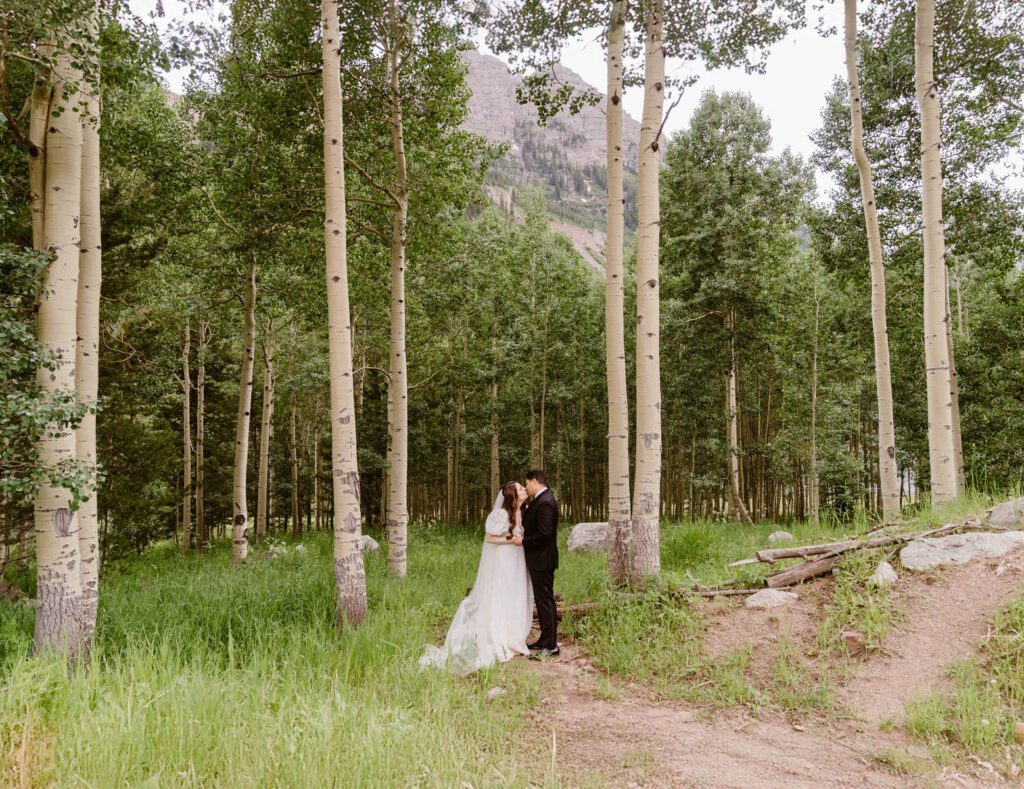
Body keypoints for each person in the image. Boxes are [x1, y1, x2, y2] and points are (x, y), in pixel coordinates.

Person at [419, 481, 533, 675]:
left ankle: (514, 635)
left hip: (517, 560)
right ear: (513, 495)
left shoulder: (524, 510)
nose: (524, 489)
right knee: (501, 595)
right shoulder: (500, 514)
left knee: (515, 594)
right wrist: (509, 540)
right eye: (521, 489)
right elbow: (489, 538)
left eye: (524, 487)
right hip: (504, 558)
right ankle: (498, 635)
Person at [514, 469, 559, 658]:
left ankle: (551, 646)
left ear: (534, 481)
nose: (526, 487)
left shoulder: (546, 502)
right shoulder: (540, 500)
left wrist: (522, 542)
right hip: (538, 559)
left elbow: (545, 534)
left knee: (546, 602)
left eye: (527, 483)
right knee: (541, 602)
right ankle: (544, 639)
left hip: (543, 559)